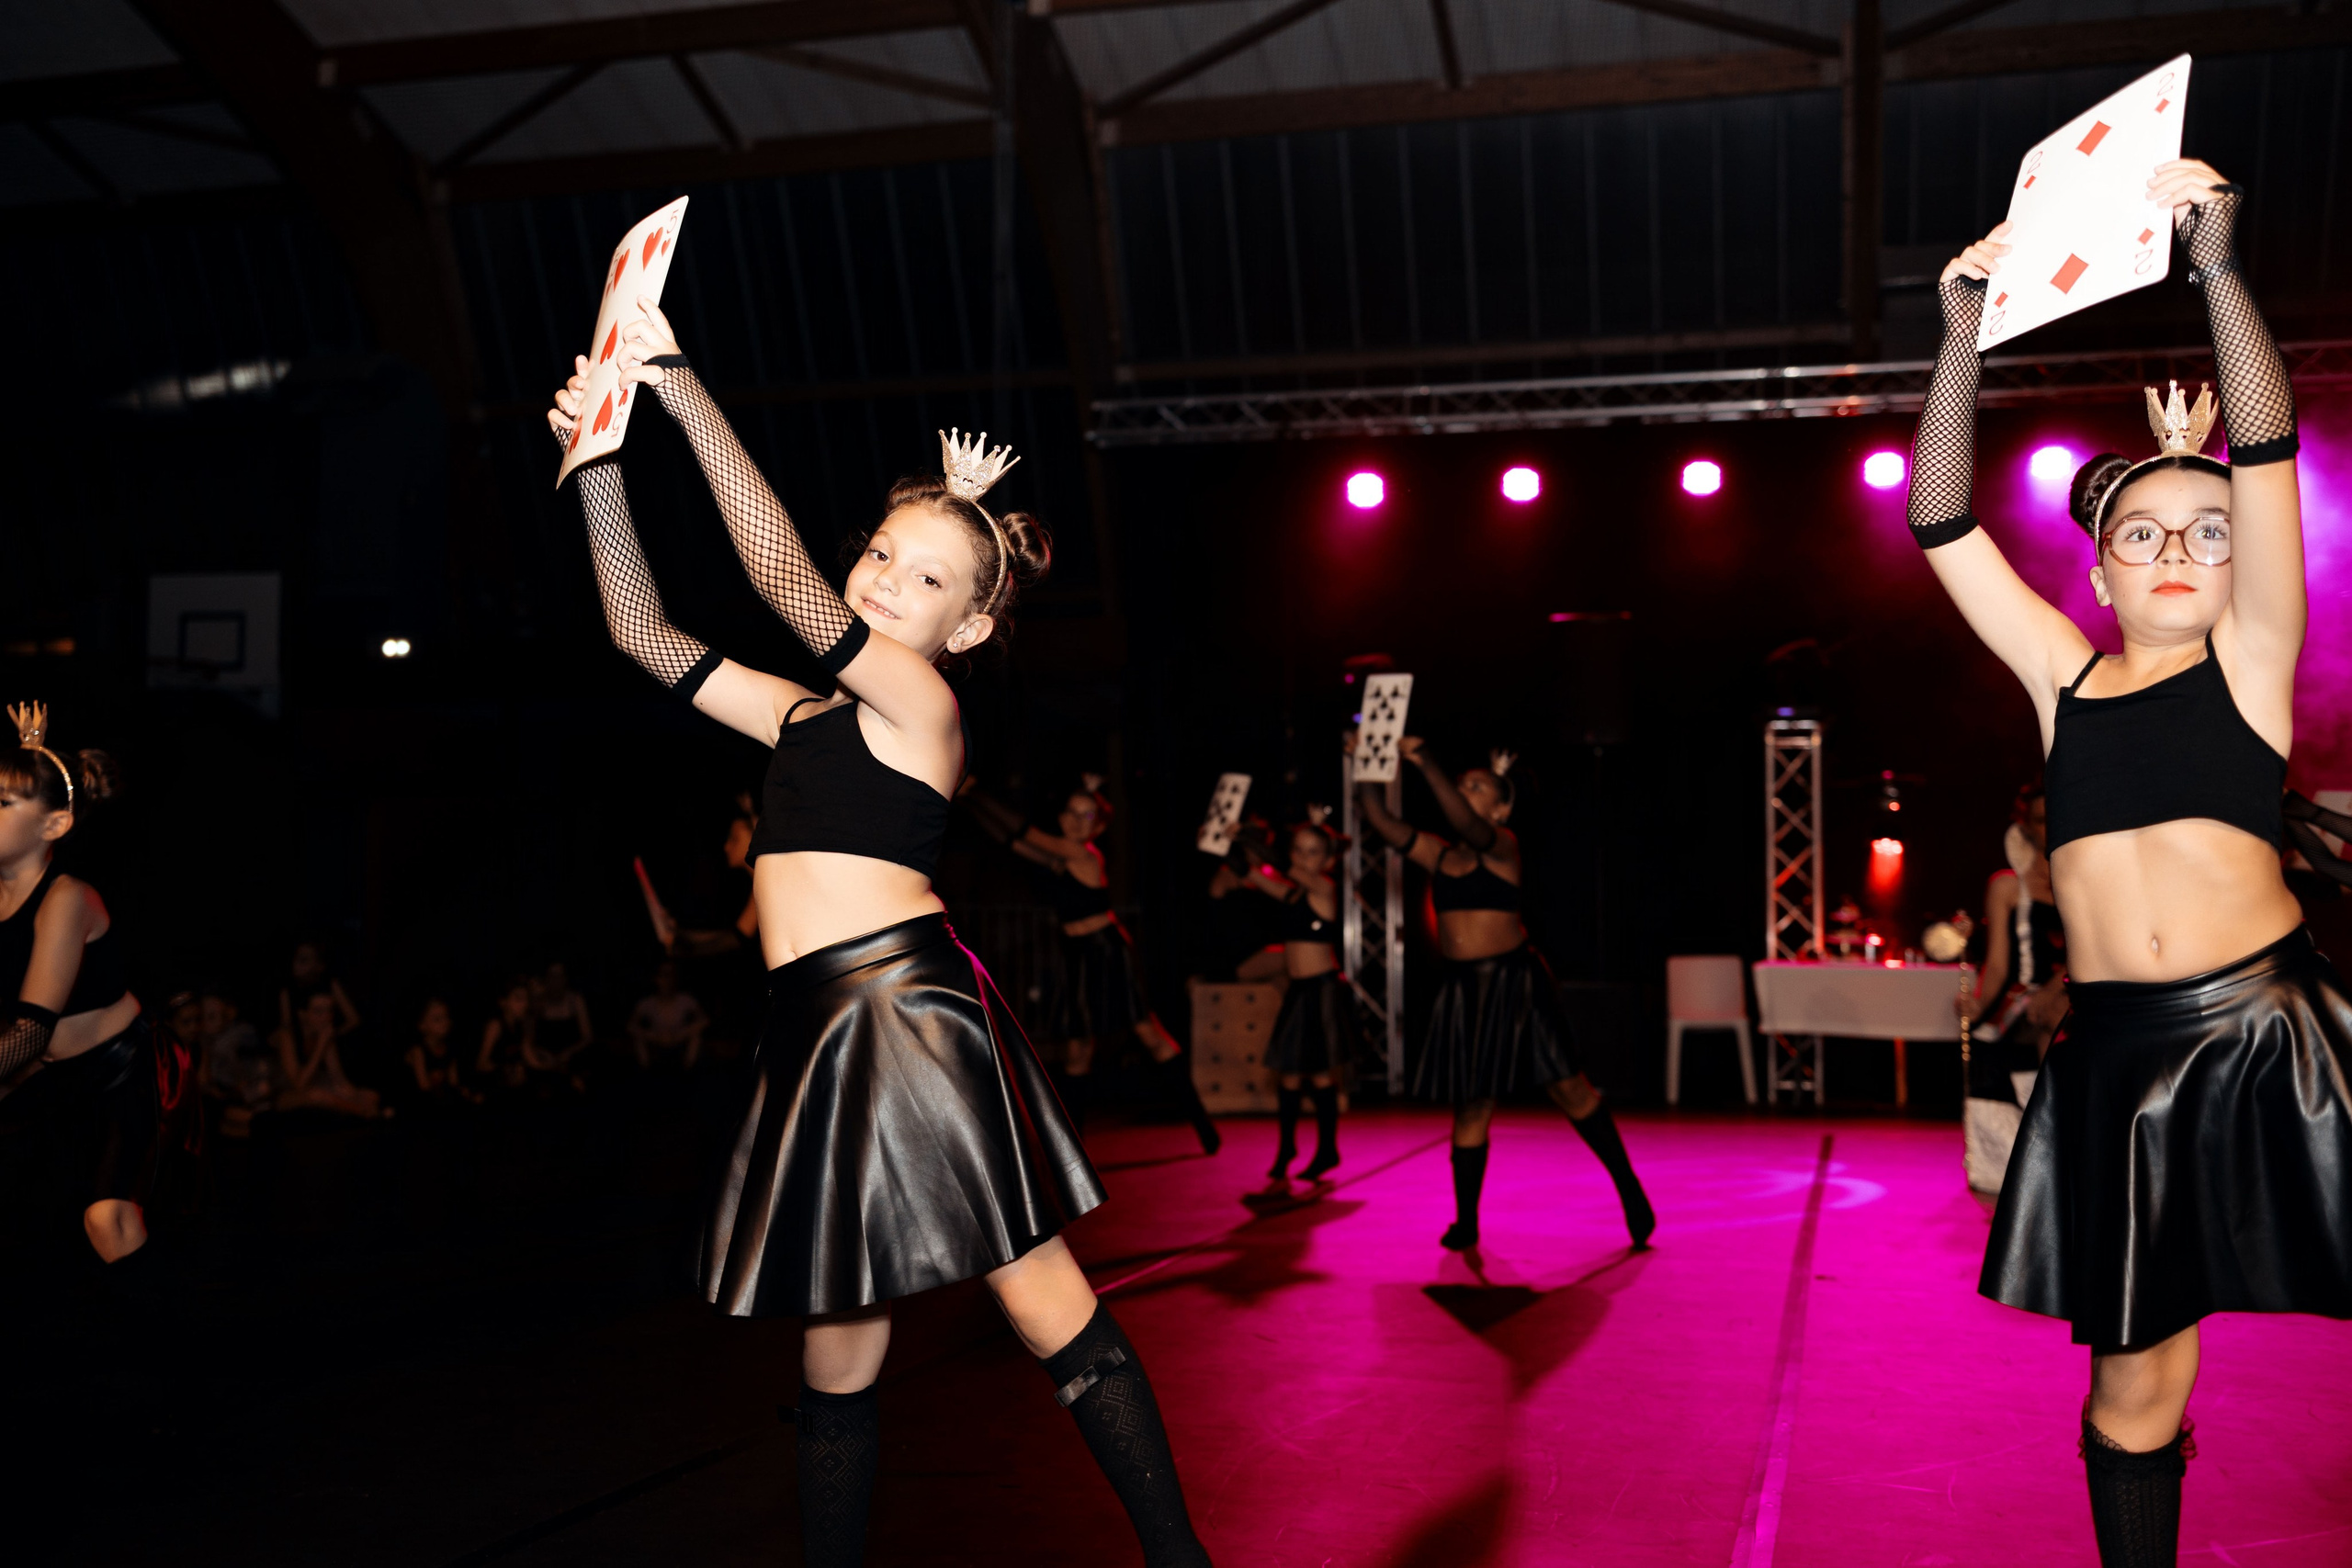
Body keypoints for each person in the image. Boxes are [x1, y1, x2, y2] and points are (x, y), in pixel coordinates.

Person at [549, 298, 1211, 1567]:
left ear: (969, 628)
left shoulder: (923, 704)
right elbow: (643, 634)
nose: (887, 579)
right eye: (884, 552)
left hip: (906, 1010)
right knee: (837, 1346)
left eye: (927, 578)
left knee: (1038, 1297)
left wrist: (679, 383)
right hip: (812, 1029)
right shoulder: (802, 717)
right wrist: (596, 462)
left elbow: (781, 582)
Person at [1910, 164, 2341, 1566]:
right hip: (2118, 1060)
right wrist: (1961, 335)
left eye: (2209, 535)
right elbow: (1939, 518)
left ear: (2239, 569)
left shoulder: (2254, 661)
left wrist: (2218, 262)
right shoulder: (2064, 678)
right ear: (2096, 573)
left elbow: (2263, 442)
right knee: (2133, 1390)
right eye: (2141, 532)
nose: (2177, 549)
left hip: (2266, 1031)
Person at [1353, 737, 1655, 1251]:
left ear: (1501, 809)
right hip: (1465, 990)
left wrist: (1427, 761)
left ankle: (1629, 1188)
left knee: (1569, 1089)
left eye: (1477, 787)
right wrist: (1365, 763)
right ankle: (1466, 1221)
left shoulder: (1501, 845)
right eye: (1463, 784)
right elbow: (1380, 820)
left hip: (1517, 983)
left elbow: (1469, 825)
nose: (1464, 791)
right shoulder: (1439, 853)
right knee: (1472, 1105)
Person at [0, 703, 194, 1280]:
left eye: (3, 804)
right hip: (57, 1076)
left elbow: (31, 1032)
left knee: (107, 1220)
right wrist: (30, 753)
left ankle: (181, 1326)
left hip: (129, 1070)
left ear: (56, 826)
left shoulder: (68, 899)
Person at [963, 776, 1222, 1153]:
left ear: (1098, 826)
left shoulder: (1083, 855)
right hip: (1078, 954)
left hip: (1108, 950)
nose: (1075, 821)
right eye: (1071, 812)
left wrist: (974, 792)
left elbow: (1024, 831)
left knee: (1147, 1032)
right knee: (1079, 1047)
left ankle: (1203, 1125)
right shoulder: (1060, 857)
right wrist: (966, 802)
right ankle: (1076, 1147)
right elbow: (1011, 841)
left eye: (1086, 815)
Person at [1226, 810, 1356, 1184]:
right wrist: (1224, 840)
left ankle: (1326, 1149)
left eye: (1312, 852)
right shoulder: (1292, 892)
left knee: (1317, 1074)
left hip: (1321, 989)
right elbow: (1246, 872)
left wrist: (1248, 838)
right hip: (1299, 990)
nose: (1302, 858)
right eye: (1299, 850)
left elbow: (1280, 864)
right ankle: (1287, 1149)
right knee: (1289, 1074)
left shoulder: (1324, 888)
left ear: (1328, 860)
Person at [1961, 784, 2070, 1089]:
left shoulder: (2084, 885)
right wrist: (1978, 1004)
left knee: (2061, 1012)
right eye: (2042, 820)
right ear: (2026, 828)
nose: (2052, 827)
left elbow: (2094, 951)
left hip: (2073, 991)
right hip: (2023, 1000)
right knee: (2050, 1013)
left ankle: (2057, 1108)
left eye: (2057, 817)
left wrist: (2053, 990)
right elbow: (1997, 964)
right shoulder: (2007, 887)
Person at [275, 989, 381, 1119]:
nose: (326, 1017)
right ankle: (362, 1114)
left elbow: (338, 1078)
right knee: (318, 1096)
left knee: (370, 1095)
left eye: (329, 1011)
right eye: (318, 1012)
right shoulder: (287, 1036)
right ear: (303, 1014)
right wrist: (320, 1046)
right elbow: (299, 1085)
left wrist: (356, 1096)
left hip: (317, 1086)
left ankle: (363, 1112)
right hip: (284, 1093)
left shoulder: (325, 1034)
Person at [198, 988, 273, 1136]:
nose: (219, 1021)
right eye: (211, 1017)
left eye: (223, 1016)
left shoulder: (236, 1036)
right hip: (216, 1103)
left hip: (237, 1094)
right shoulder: (198, 1046)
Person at [526, 961, 594, 1095]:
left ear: (565, 978)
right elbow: (529, 1038)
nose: (556, 980)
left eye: (560, 975)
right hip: (545, 1056)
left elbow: (588, 1036)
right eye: (552, 975)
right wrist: (541, 1053)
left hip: (572, 1055)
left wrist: (569, 1052)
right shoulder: (539, 1002)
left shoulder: (575, 1000)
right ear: (546, 978)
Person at [628, 959, 707, 1070]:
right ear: (656, 978)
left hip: (680, 1042)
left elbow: (704, 1020)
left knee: (696, 1037)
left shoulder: (686, 1000)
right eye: (663, 975)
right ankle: (645, 1072)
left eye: (670, 975)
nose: (667, 980)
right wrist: (654, 1036)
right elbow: (631, 1026)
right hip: (655, 1042)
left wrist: (680, 1034)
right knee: (638, 1039)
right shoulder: (646, 1003)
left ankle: (689, 1070)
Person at [278, 940, 360, 1041]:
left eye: (304, 960)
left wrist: (330, 1036)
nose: (296, 963)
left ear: (320, 966)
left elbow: (353, 1020)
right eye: (295, 958)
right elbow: (287, 1026)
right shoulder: (287, 991)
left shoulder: (330, 985)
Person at [404, 997, 476, 1106]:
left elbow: (453, 1081)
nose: (445, 1022)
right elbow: (423, 1086)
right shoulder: (418, 1051)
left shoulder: (450, 1049)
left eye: (446, 1017)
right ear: (422, 1025)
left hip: (441, 1100)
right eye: (437, 1019)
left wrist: (464, 1092)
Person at [474, 977, 536, 1097]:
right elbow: (481, 1063)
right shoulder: (495, 1026)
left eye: (526, 999)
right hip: (494, 1087)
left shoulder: (520, 1027)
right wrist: (507, 1070)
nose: (525, 1004)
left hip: (515, 1086)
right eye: (518, 999)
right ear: (503, 1002)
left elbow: (532, 1060)